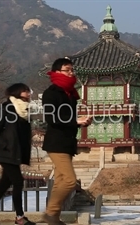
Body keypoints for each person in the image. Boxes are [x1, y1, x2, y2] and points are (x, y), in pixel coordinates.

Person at [41, 57, 92, 225]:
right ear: (57, 72)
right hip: (56, 143)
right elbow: (51, 118)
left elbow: (67, 117)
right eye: (67, 70)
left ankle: (53, 217)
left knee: (61, 180)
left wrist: (81, 121)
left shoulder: (70, 93)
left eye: (72, 70)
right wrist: (75, 121)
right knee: (70, 181)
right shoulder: (51, 93)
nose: (71, 73)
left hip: (68, 141)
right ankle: (49, 213)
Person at [0, 83, 36, 225]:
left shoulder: (24, 110)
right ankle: (19, 217)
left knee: (4, 184)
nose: (28, 93)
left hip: (15, 152)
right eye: (24, 91)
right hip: (6, 151)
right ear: (16, 93)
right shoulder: (5, 108)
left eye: (28, 91)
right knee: (18, 182)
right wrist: (4, 144)